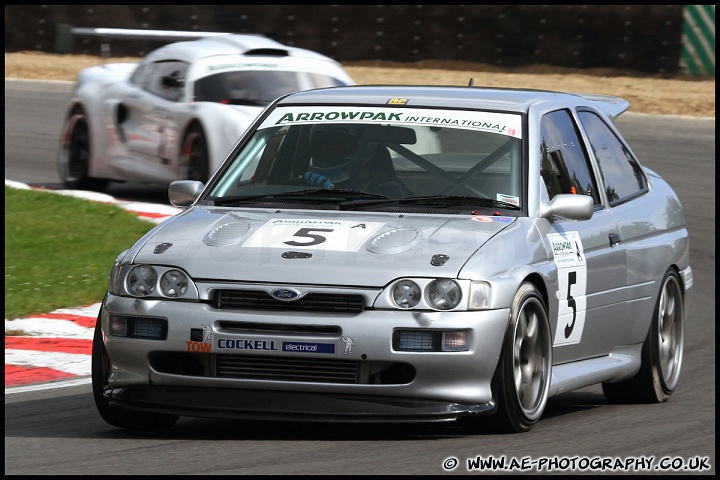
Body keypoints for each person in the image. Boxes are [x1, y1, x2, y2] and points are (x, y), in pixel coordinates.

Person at [305, 124, 406, 198]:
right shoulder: (304, 183)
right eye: (322, 145)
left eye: (337, 145)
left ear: (360, 147)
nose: (329, 151)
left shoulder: (388, 186)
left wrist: (332, 192)